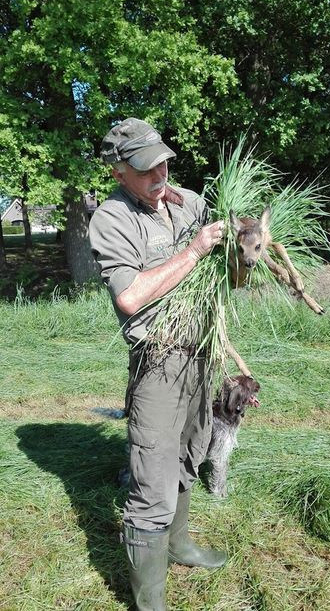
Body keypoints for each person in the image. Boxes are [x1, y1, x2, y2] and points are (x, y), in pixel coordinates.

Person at [88, 118, 226, 610]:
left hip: (201, 354)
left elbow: (224, 271)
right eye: (146, 169)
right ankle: (150, 603)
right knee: (153, 477)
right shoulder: (112, 218)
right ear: (118, 172)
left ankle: (180, 544)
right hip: (158, 361)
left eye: (164, 161)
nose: (160, 174)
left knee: (192, 450)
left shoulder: (188, 201)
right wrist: (193, 250)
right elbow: (130, 297)